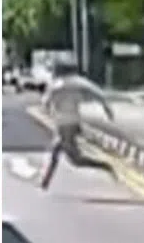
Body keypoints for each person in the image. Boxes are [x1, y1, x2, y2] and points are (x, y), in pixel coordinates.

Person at [38, 60, 117, 190]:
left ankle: (104, 166)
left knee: (74, 159)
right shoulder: (79, 82)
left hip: (64, 125)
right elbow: (98, 94)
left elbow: (45, 101)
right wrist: (107, 109)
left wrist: (48, 109)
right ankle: (44, 182)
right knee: (56, 152)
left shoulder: (57, 84)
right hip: (73, 122)